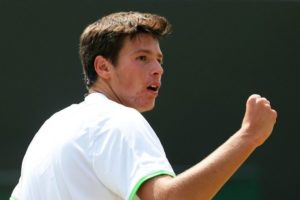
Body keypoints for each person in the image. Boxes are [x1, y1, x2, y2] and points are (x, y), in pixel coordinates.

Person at [10, 11, 277, 200]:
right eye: (142, 58)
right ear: (103, 66)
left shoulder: (50, 129)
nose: (158, 69)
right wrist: (248, 137)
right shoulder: (118, 120)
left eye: (159, 60)